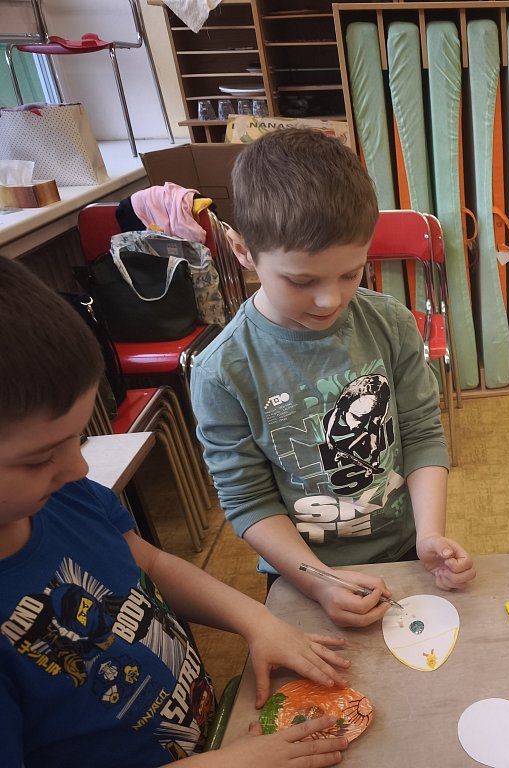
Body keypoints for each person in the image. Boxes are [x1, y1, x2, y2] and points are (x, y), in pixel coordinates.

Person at [0, 258, 351, 767]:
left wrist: (257, 620)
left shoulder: (66, 496)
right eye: (39, 459)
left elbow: (152, 564)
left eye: (78, 438)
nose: (78, 467)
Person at [190, 129, 475, 630]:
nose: (330, 300)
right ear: (242, 250)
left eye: (351, 273)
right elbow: (248, 500)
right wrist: (319, 580)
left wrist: (430, 535)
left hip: (403, 550)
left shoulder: (389, 323)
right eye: (301, 281)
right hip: (301, 571)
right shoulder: (223, 371)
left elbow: (421, 433)